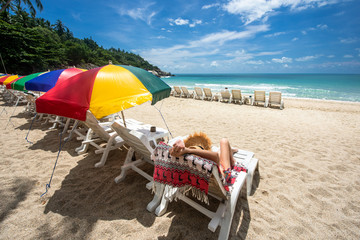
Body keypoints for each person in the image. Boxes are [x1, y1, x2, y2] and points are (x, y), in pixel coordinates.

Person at [169, 137, 238, 178]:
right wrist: (188, 150)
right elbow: (216, 157)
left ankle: (231, 152)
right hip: (224, 173)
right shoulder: (200, 160)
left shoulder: (189, 160)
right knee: (224, 141)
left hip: (212, 171)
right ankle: (231, 158)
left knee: (221, 150)